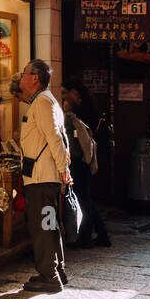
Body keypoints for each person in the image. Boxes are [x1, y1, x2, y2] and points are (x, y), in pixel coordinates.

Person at [19, 59, 71, 292]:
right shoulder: (47, 100)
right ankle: (56, 271)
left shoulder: (41, 102)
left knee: (42, 226)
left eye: (24, 74)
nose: (21, 78)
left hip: (42, 177)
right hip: (46, 176)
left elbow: (55, 139)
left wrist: (63, 169)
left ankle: (49, 276)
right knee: (49, 224)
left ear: (34, 78)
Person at [63, 88, 110, 248]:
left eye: (65, 92)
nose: (63, 96)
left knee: (83, 200)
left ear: (75, 92)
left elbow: (76, 142)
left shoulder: (73, 116)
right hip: (84, 162)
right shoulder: (84, 112)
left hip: (78, 162)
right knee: (85, 199)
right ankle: (98, 234)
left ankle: (87, 236)